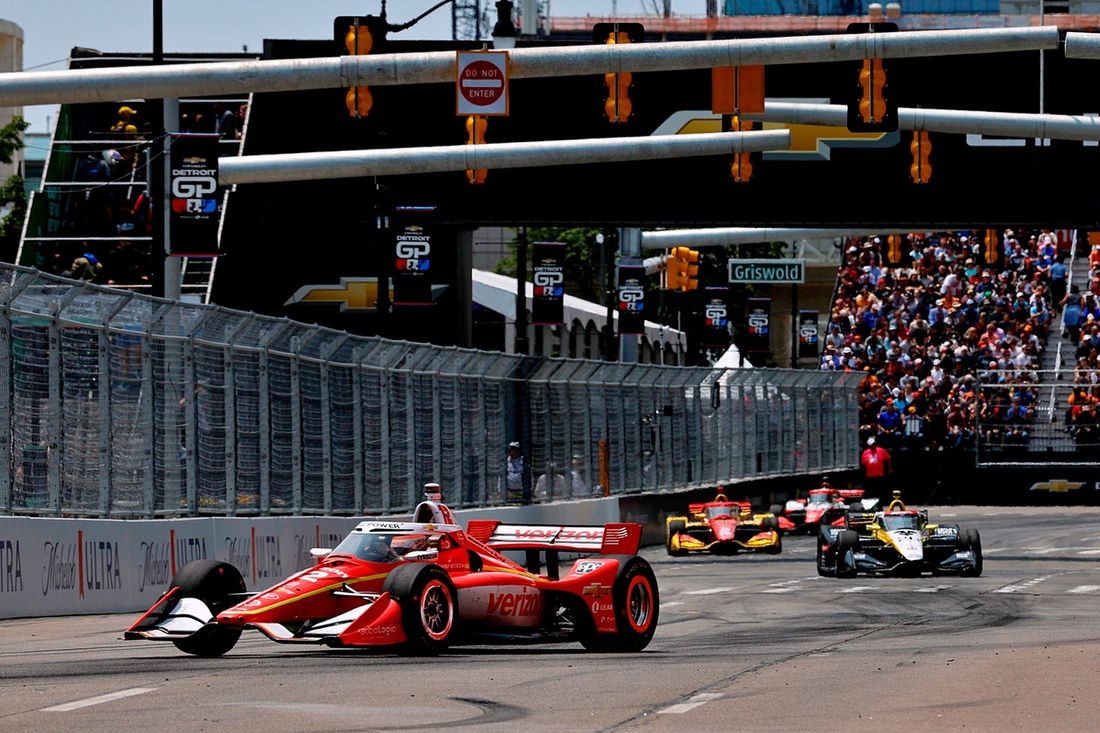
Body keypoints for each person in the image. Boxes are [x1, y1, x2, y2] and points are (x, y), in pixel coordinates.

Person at [860, 436, 892, 500]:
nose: (873, 445)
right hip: (870, 475)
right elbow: (863, 464)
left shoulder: (881, 450)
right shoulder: (865, 453)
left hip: (879, 474)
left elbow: (888, 458)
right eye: (872, 444)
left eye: (874, 443)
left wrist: (889, 468)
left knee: (880, 490)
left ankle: (881, 502)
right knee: (871, 490)